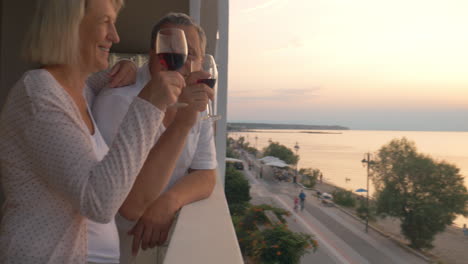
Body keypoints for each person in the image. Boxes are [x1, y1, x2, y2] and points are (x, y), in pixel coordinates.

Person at [0, 0, 186, 263]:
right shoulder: (38, 96)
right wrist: (149, 104)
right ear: (68, 27)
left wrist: (128, 66)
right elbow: (98, 202)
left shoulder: (80, 88)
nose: (115, 36)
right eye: (104, 22)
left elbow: (101, 79)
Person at [92, 13, 216, 263]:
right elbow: (129, 207)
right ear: (153, 53)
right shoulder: (118, 100)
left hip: (167, 234)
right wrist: (184, 121)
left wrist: (169, 202)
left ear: (202, 61)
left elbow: (207, 174)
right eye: (169, 48)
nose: (179, 59)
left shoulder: (193, 98)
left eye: (190, 53)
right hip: (118, 246)